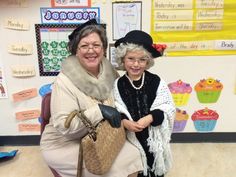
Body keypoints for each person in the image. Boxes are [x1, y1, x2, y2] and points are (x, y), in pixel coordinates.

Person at [40, 19, 143, 177]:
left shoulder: (109, 71)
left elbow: (121, 100)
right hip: (65, 143)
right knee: (112, 170)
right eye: (84, 45)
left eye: (96, 45)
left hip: (103, 136)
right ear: (76, 50)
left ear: (103, 49)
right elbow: (65, 127)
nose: (91, 50)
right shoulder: (64, 80)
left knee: (136, 153)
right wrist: (99, 111)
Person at [113, 30, 176, 177]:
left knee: (154, 167)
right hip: (130, 137)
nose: (136, 64)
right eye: (131, 58)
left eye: (142, 59)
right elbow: (117, 108)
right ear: (123, 59)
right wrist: (125, 122)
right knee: (135, 169)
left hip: (153, 136)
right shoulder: (118, 84)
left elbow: (166, 108)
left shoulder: (156, 81)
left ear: (148, 61)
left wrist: (150, 117)